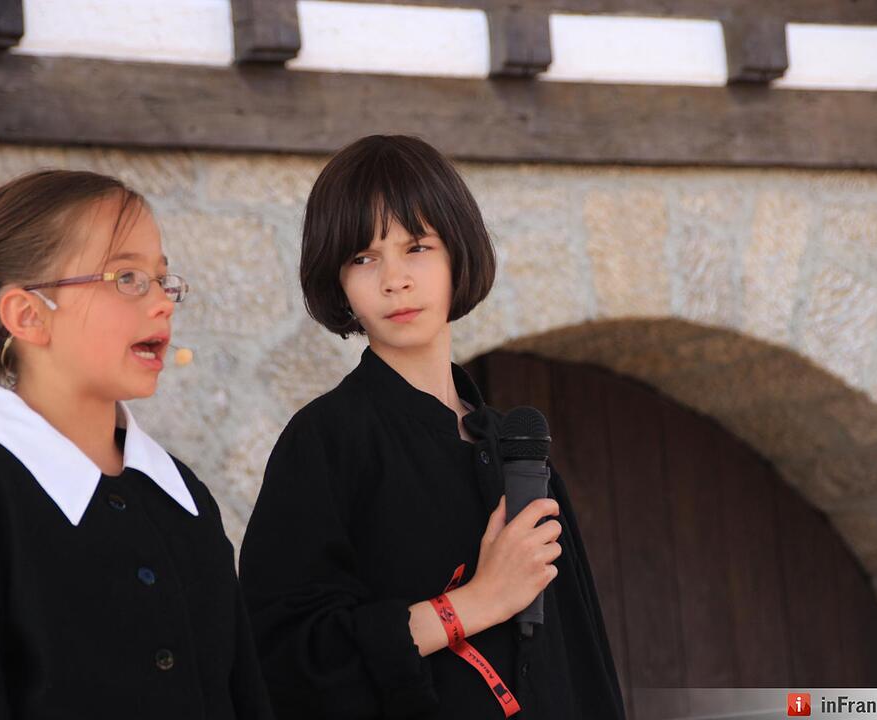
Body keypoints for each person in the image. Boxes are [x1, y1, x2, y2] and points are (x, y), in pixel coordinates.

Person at [0, 170, 273, 720]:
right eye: (127, 277)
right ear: (28, 315)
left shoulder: (186, 500)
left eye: (162, 278)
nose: (163, 303)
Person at [239, 135, 625, 719]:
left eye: (416, 246)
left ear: (456, 256)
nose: (394, 279)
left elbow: (583, 666)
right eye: (363, 258)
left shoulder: (520, 454)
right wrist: (475, 603)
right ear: (339, 282)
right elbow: (283, 662)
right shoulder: (324, 442)